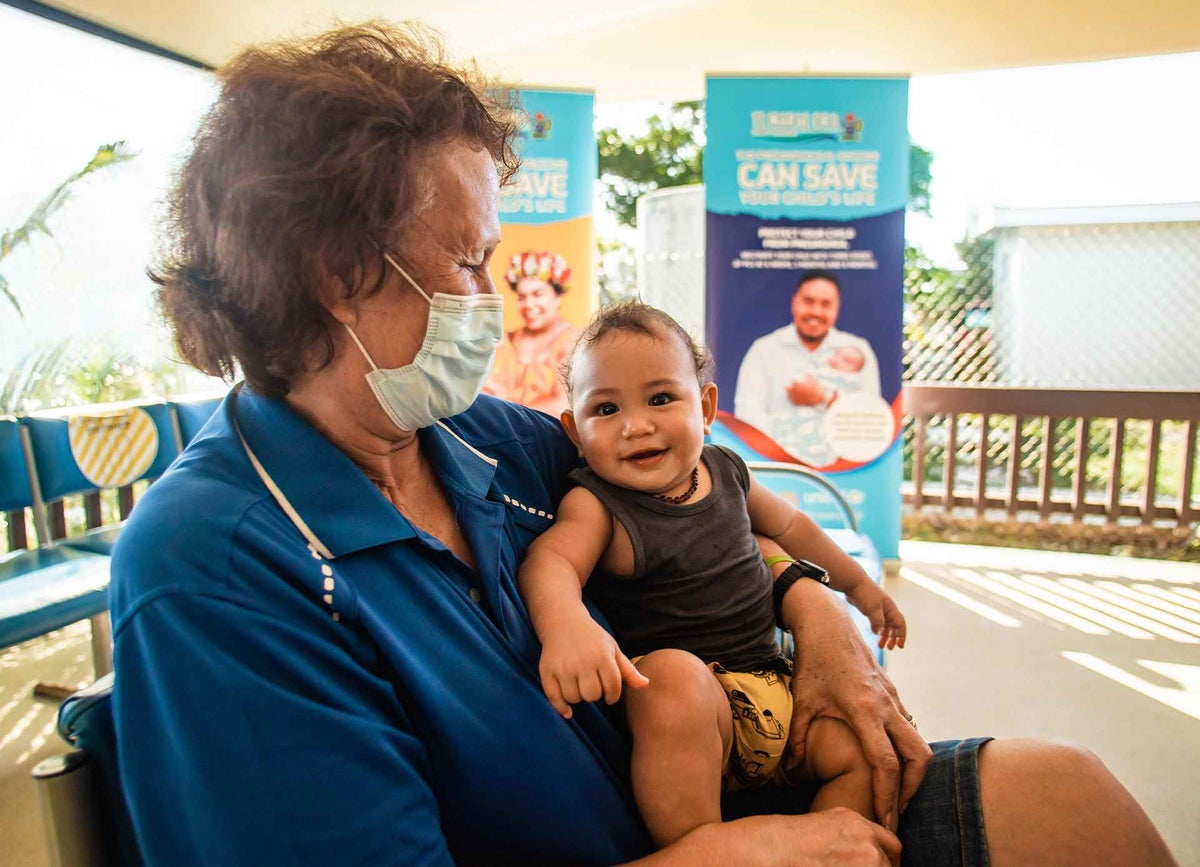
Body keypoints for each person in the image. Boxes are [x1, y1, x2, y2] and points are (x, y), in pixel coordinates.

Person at [108, 21, 1177, 867]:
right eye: (472, 260)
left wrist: (818, 610)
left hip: (732, 786)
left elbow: (693, 519)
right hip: (703, 840)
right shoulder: (220, 570)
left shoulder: (490, 446)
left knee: (1069, 797)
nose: (497, 299)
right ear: (339, 269)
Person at [517, 301, 908, 847]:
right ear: (575, 433)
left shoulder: (726, 470)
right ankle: (706, 847)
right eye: (605, 410)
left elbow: (795, 527)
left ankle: (829, 839)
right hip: (693, 723)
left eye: (660, 398)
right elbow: (551, 560)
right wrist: (566, 628)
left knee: (869, 749)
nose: (636, 425)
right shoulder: (598, 504)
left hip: (779, 689)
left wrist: (859, 586)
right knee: (672, 677)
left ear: (704, 407)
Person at [734, 270, 881, 466]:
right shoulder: (764, 349)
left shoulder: (858, 351)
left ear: (837, 307)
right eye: (808, 301)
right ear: (794, 302)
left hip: (841, 472)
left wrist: (822, 398)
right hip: (778, 467)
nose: (816, 312)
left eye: (826, 304)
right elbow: (748, 413)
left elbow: (871, 417)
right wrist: (785, 457)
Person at [483, 250, 580, 415]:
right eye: (522, 297)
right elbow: (481, 398)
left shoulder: (573, 342)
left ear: (558, 297)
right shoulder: (504, 341)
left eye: (537, 294)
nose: (528, 304)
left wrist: (506, 409)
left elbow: (564, 405)